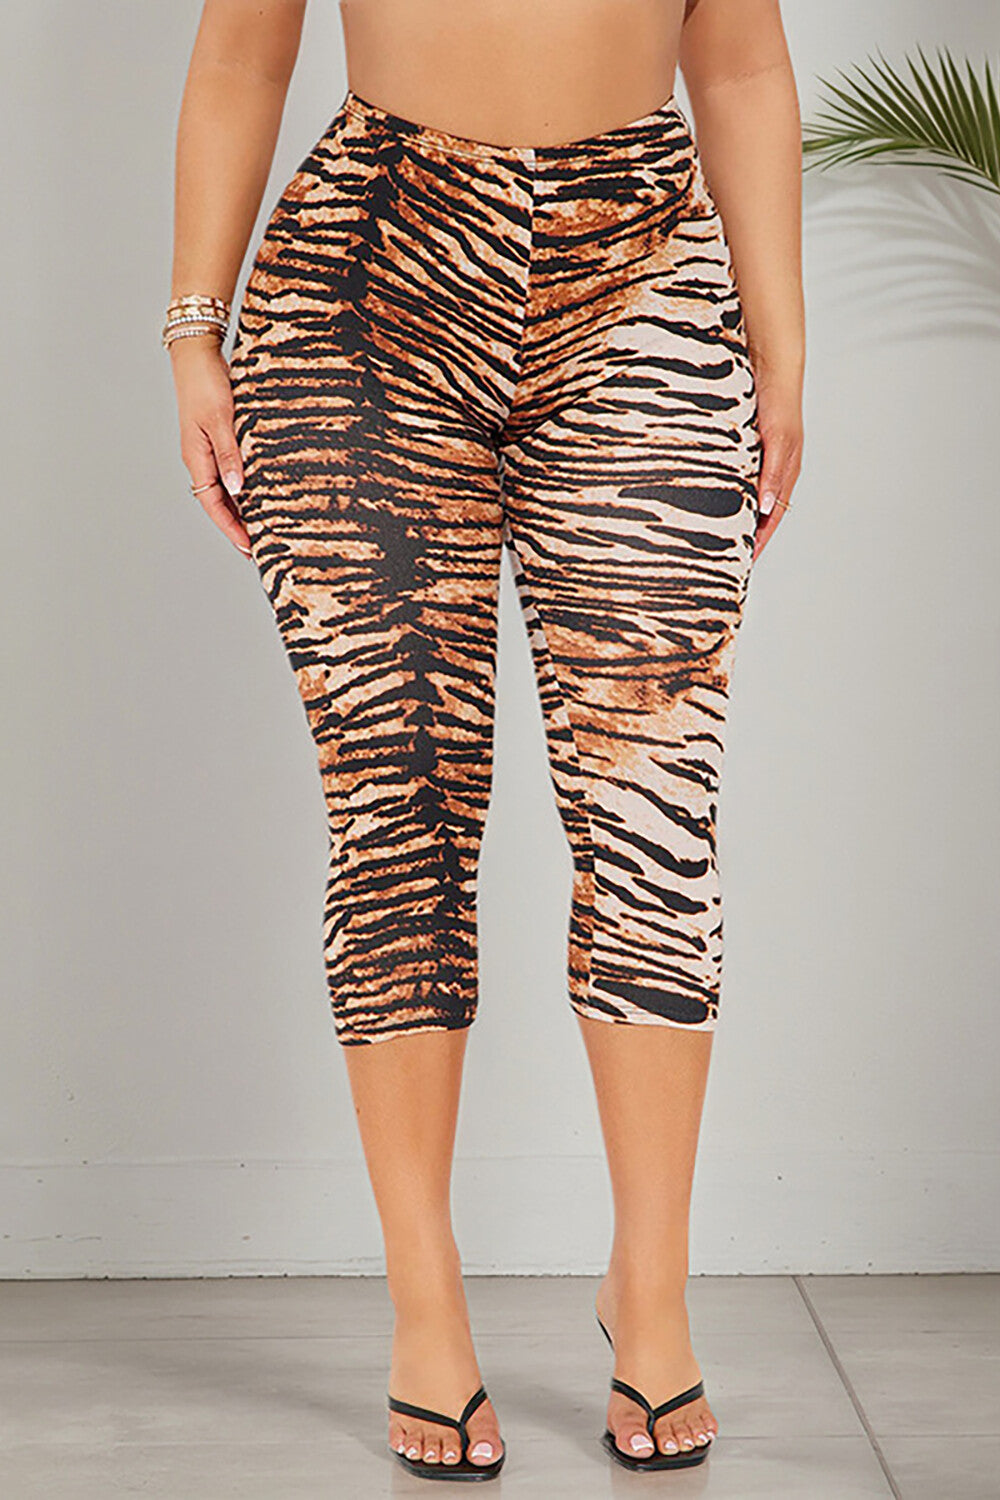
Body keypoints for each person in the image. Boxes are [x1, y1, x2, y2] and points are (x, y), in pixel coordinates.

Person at [165, 0, 804, 1480]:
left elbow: (742, 59)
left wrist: (782, 344)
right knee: (397, 809)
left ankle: (652, 1287)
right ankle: (426, 1307)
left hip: (643, 268)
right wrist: (194, 325)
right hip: (366, 279)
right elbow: (244, 49)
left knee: (653, 812)